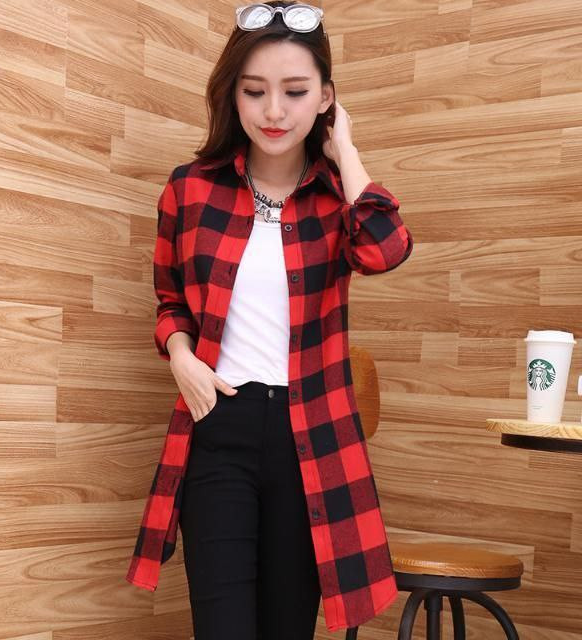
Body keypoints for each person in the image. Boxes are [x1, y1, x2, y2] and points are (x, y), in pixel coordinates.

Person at [125, 2, 414, 639]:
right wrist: (181, 358)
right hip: (218, 423)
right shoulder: (190, 189)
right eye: (255, 91)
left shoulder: (337, 200)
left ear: (326, 98)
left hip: (309, 434)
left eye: (296, 91)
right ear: (233, 95)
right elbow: (170, 300)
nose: (274, 111)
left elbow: (386, 249)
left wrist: (345, 150)